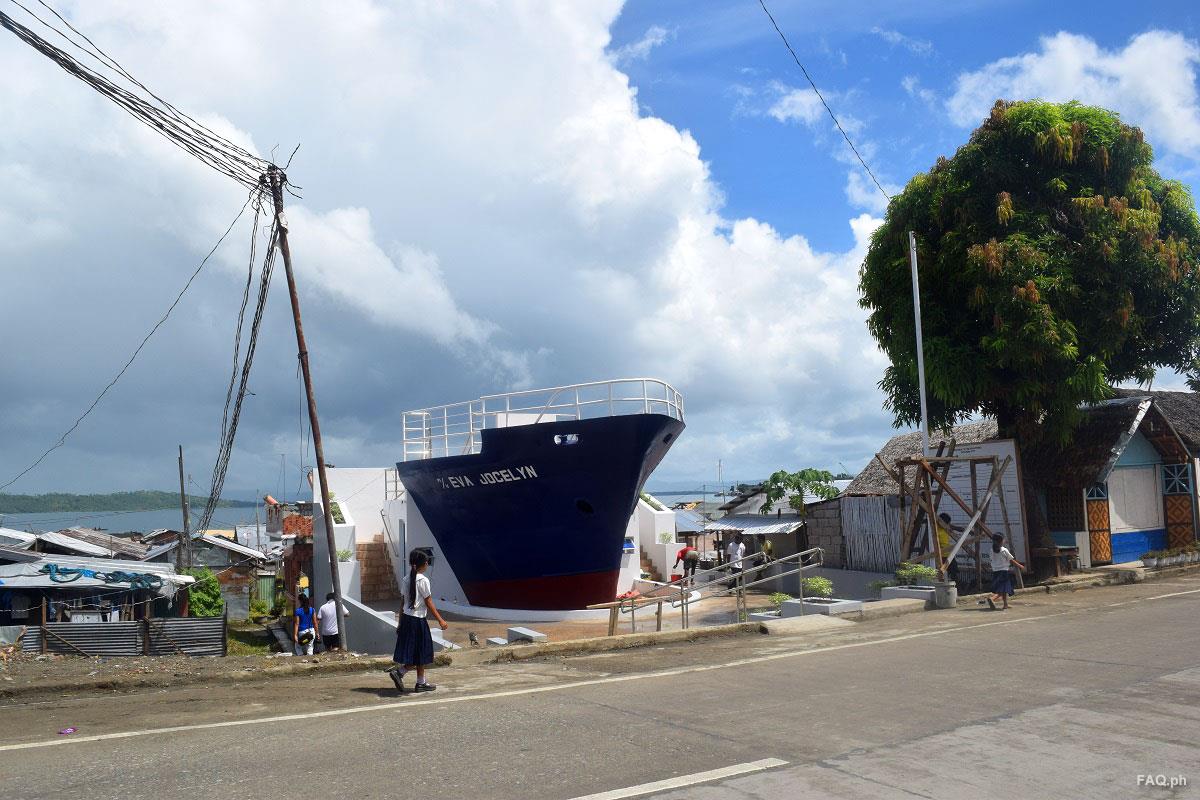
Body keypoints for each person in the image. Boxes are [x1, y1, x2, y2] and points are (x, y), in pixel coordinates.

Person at [388, 549, 448, 693]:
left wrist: (400, 622)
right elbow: (429, 602)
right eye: (427, 562)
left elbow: (402, 603)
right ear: (424, 564)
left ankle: (420, 682)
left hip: (408, 619)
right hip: (418, 620)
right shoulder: (423, 580)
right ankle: (401, 672)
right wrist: (441, 620)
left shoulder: (406, 579)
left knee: (417, 652)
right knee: (421, 651)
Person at [985, 534, 1024, 610]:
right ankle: (992, 598)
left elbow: (991, 560)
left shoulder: (991, 550)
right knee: (1003, 589)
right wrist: (1020, 566)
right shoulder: (1004, 550)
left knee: (1004, 589)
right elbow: (1011, 560)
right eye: (1003, 539)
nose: (1004, 540)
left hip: (996, 571)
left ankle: (1005, 604)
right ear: (1000, 541)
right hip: (1003, 572)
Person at [936, 513, 961, 583]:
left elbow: (956, 528)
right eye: (947, 523)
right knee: (941, 573)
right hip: (941, 556)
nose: (948, 525)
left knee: (954, 572)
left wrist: (968, 530)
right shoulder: (935, 529)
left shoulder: (946, 526)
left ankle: (957, 588)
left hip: (949, 555)